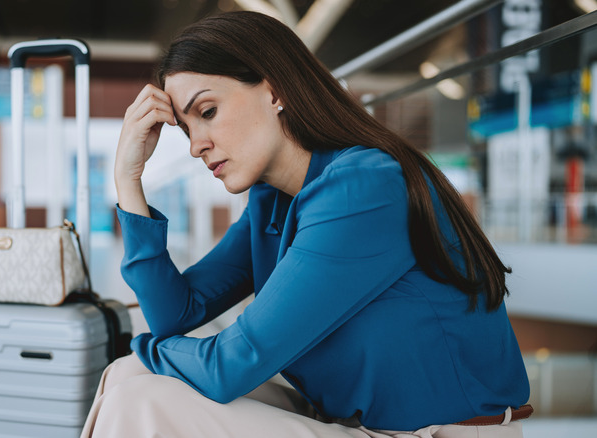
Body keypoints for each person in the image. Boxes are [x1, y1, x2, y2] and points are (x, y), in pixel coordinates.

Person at [81, 10, 531, 438]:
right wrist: (128, 180)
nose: (197, 145)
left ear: (275, 90)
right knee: (129, 374)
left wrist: (143, 348)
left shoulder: (365, 188)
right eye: (185, 128)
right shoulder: (275, 200)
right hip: (353, 423)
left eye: (208, 111)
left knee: (143, 396)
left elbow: (233, 363)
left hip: (438, 432)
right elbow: (175, 316)